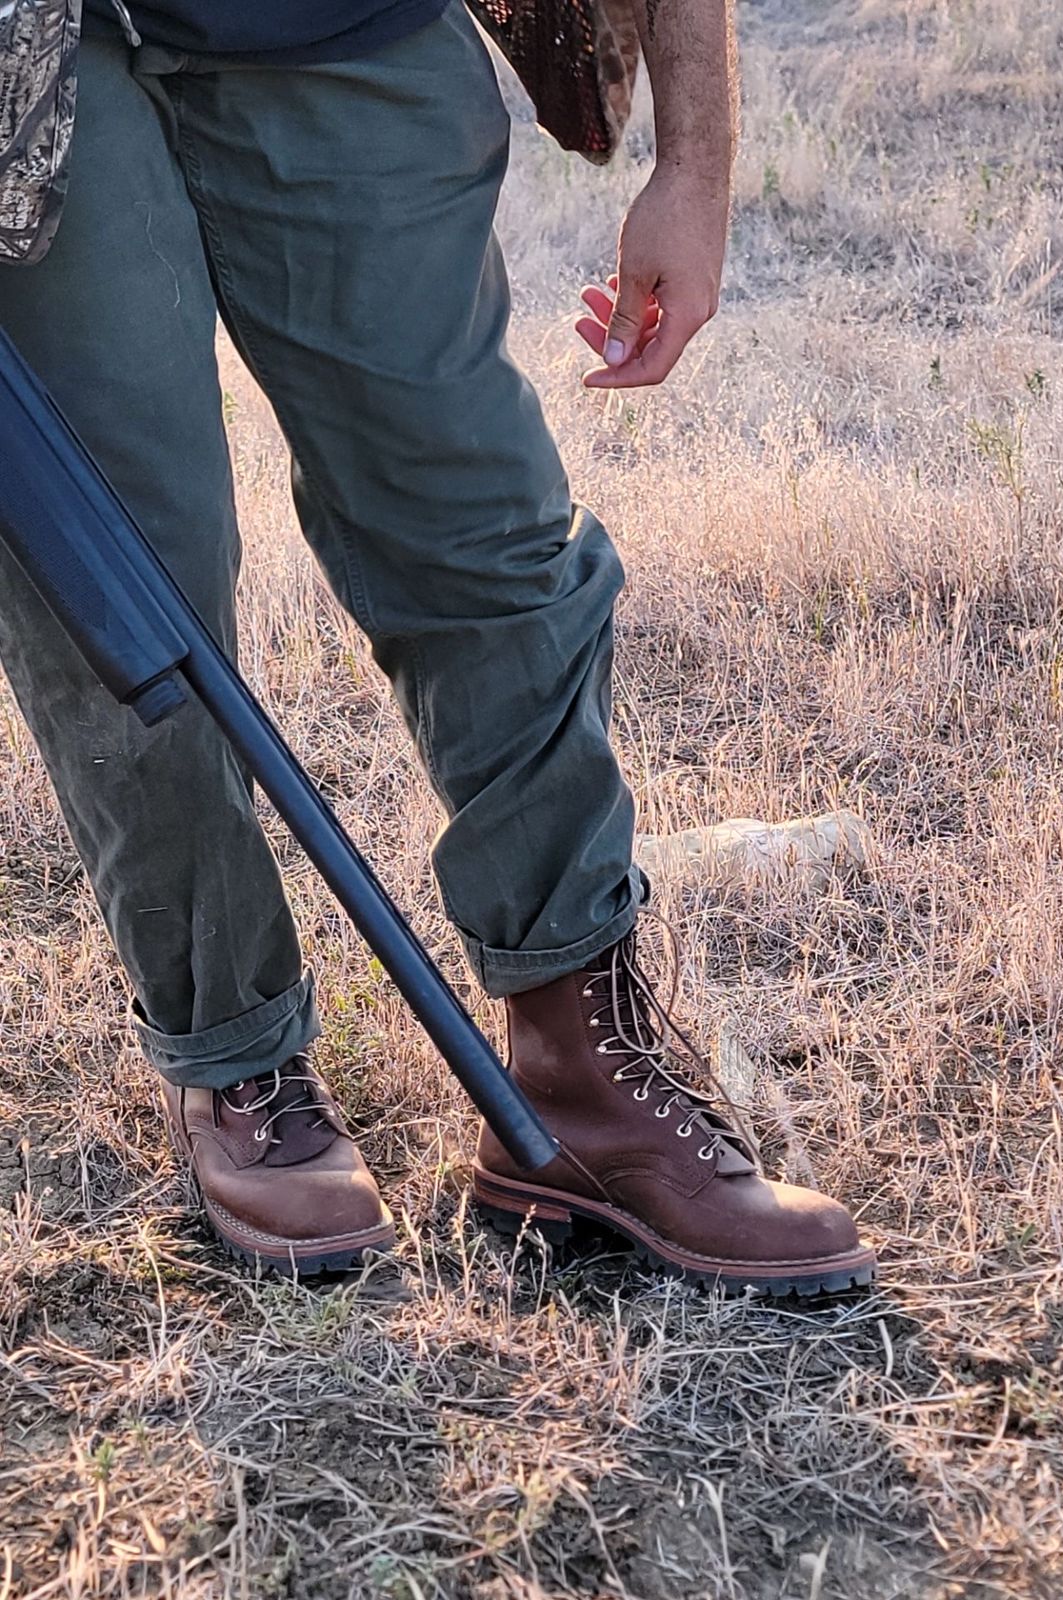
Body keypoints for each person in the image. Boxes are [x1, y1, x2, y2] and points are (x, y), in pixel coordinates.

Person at [0, 0, 875, 1294]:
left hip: (345, 28)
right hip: (40, 58)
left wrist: (693, 169)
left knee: (483, 533)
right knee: (127, 587)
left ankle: (584, 1059)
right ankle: (235, 1058)